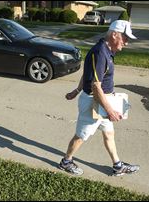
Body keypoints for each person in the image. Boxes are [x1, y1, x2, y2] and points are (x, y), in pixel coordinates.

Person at [58, 20, 140, 176]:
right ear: (114, 34)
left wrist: (76, 90)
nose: (127, 43)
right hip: (93, 102)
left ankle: (117, 166)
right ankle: (66, 162)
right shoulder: (100, 52)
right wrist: (110, 111)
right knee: (81, 136)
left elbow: (87, 74)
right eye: (125, 38)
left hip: (102, 101)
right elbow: (96, 87)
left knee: (109, 133)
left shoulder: (108, 50)